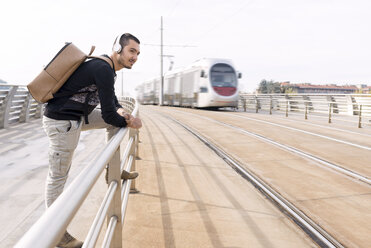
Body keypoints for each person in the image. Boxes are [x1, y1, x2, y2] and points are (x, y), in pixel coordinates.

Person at [42, 33, 142, 248]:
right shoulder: (103, 69)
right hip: (62, 122)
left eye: (137, 53)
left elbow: (113, 103)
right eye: (131, 51)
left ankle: (111, 171)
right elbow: (108, 114)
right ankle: (57, 233)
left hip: (76, 116)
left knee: (116, 122)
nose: (135, 56)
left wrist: (123, 114)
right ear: (118, 48)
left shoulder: (106, 69)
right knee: (58, 176)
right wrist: (130, 121)